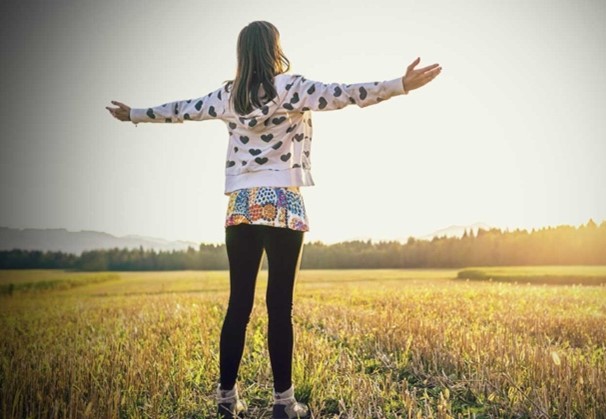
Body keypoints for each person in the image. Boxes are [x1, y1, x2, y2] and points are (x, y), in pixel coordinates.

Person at [106, 20, 441, 419]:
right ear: (274, 49)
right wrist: (399, 85)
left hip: (243, 204)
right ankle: (284, 404)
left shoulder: (228, 97)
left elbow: (181, 110)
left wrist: (135, 115)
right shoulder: (292, 87)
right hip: (283, 199)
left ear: (242, 53)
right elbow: (347, 95)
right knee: (279, 306)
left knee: (238, 305)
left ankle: (226, 400)